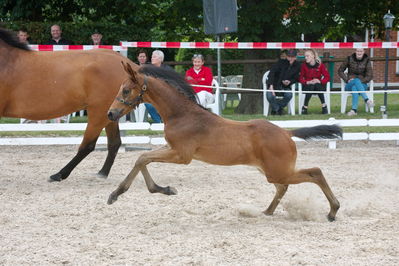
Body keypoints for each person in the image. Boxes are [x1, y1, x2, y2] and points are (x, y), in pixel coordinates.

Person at [338, 48, 374, 116]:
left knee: (355, 86)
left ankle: (354, 110)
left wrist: (360, 82)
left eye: (361, 51)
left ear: (364, 52)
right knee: (355, 82)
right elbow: (340, 71)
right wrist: (347, 80)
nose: (359, 53)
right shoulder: (349, 58)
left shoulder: (367, 60)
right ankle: (367, 100)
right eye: (358, 51)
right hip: (349, 84)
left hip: (362, 84)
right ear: (355, 51)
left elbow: (370, 76)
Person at [266, 49, 301, 115]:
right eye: (289, 56)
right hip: (274, 84)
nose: (290, 58)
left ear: (295, 57)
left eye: (292, 57)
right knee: (269, 95)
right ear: (286, 56)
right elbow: (272, 72)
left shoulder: (298, 65)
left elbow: (296, 78)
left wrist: (289, 81)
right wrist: (271, 85)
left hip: (285, 87)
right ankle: (278, 110)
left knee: (289, 95)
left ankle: (275, 109)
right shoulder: (280, 62)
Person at [299, 49, 330, 114]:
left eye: (307, 56)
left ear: (313, 56)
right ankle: (306, 107)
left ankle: (306, 107)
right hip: (307, 86)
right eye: (305, 56)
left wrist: (320, 81)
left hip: (319, 86)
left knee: (316, 85)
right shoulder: (304, 66)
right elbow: (300, 78)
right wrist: (307, 82)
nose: (306, 58)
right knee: (311, 85)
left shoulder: (320, 65)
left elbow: (327, 77)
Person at [144, 50, 171, 123]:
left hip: (165, 95)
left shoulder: (167, 70)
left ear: (160, 59)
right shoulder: (148, 69)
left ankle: (165, 120)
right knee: (148, 104)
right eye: (152, 56)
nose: (152, 58)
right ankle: (158, 122)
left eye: (154, 57)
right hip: (151, 94)